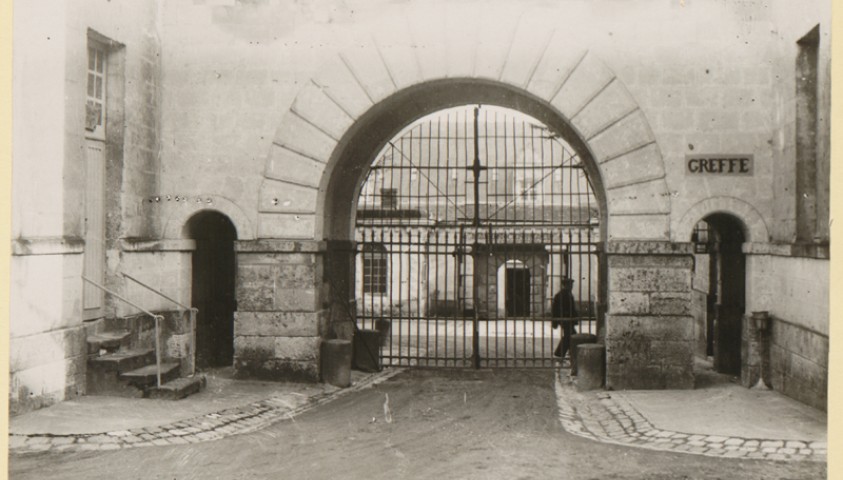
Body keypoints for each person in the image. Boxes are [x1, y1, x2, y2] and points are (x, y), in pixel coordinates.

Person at [552, 278, 578, 360]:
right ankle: (559, 353)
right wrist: (556, 321)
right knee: (570, 336)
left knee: (571, 335)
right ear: (565, 285)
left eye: (571, 285)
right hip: (565, 319)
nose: (571, 286)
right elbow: (556, 309)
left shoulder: (568, 293)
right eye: (569, 285)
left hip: (568, 319)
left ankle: (570, 352)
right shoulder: (561, 295)